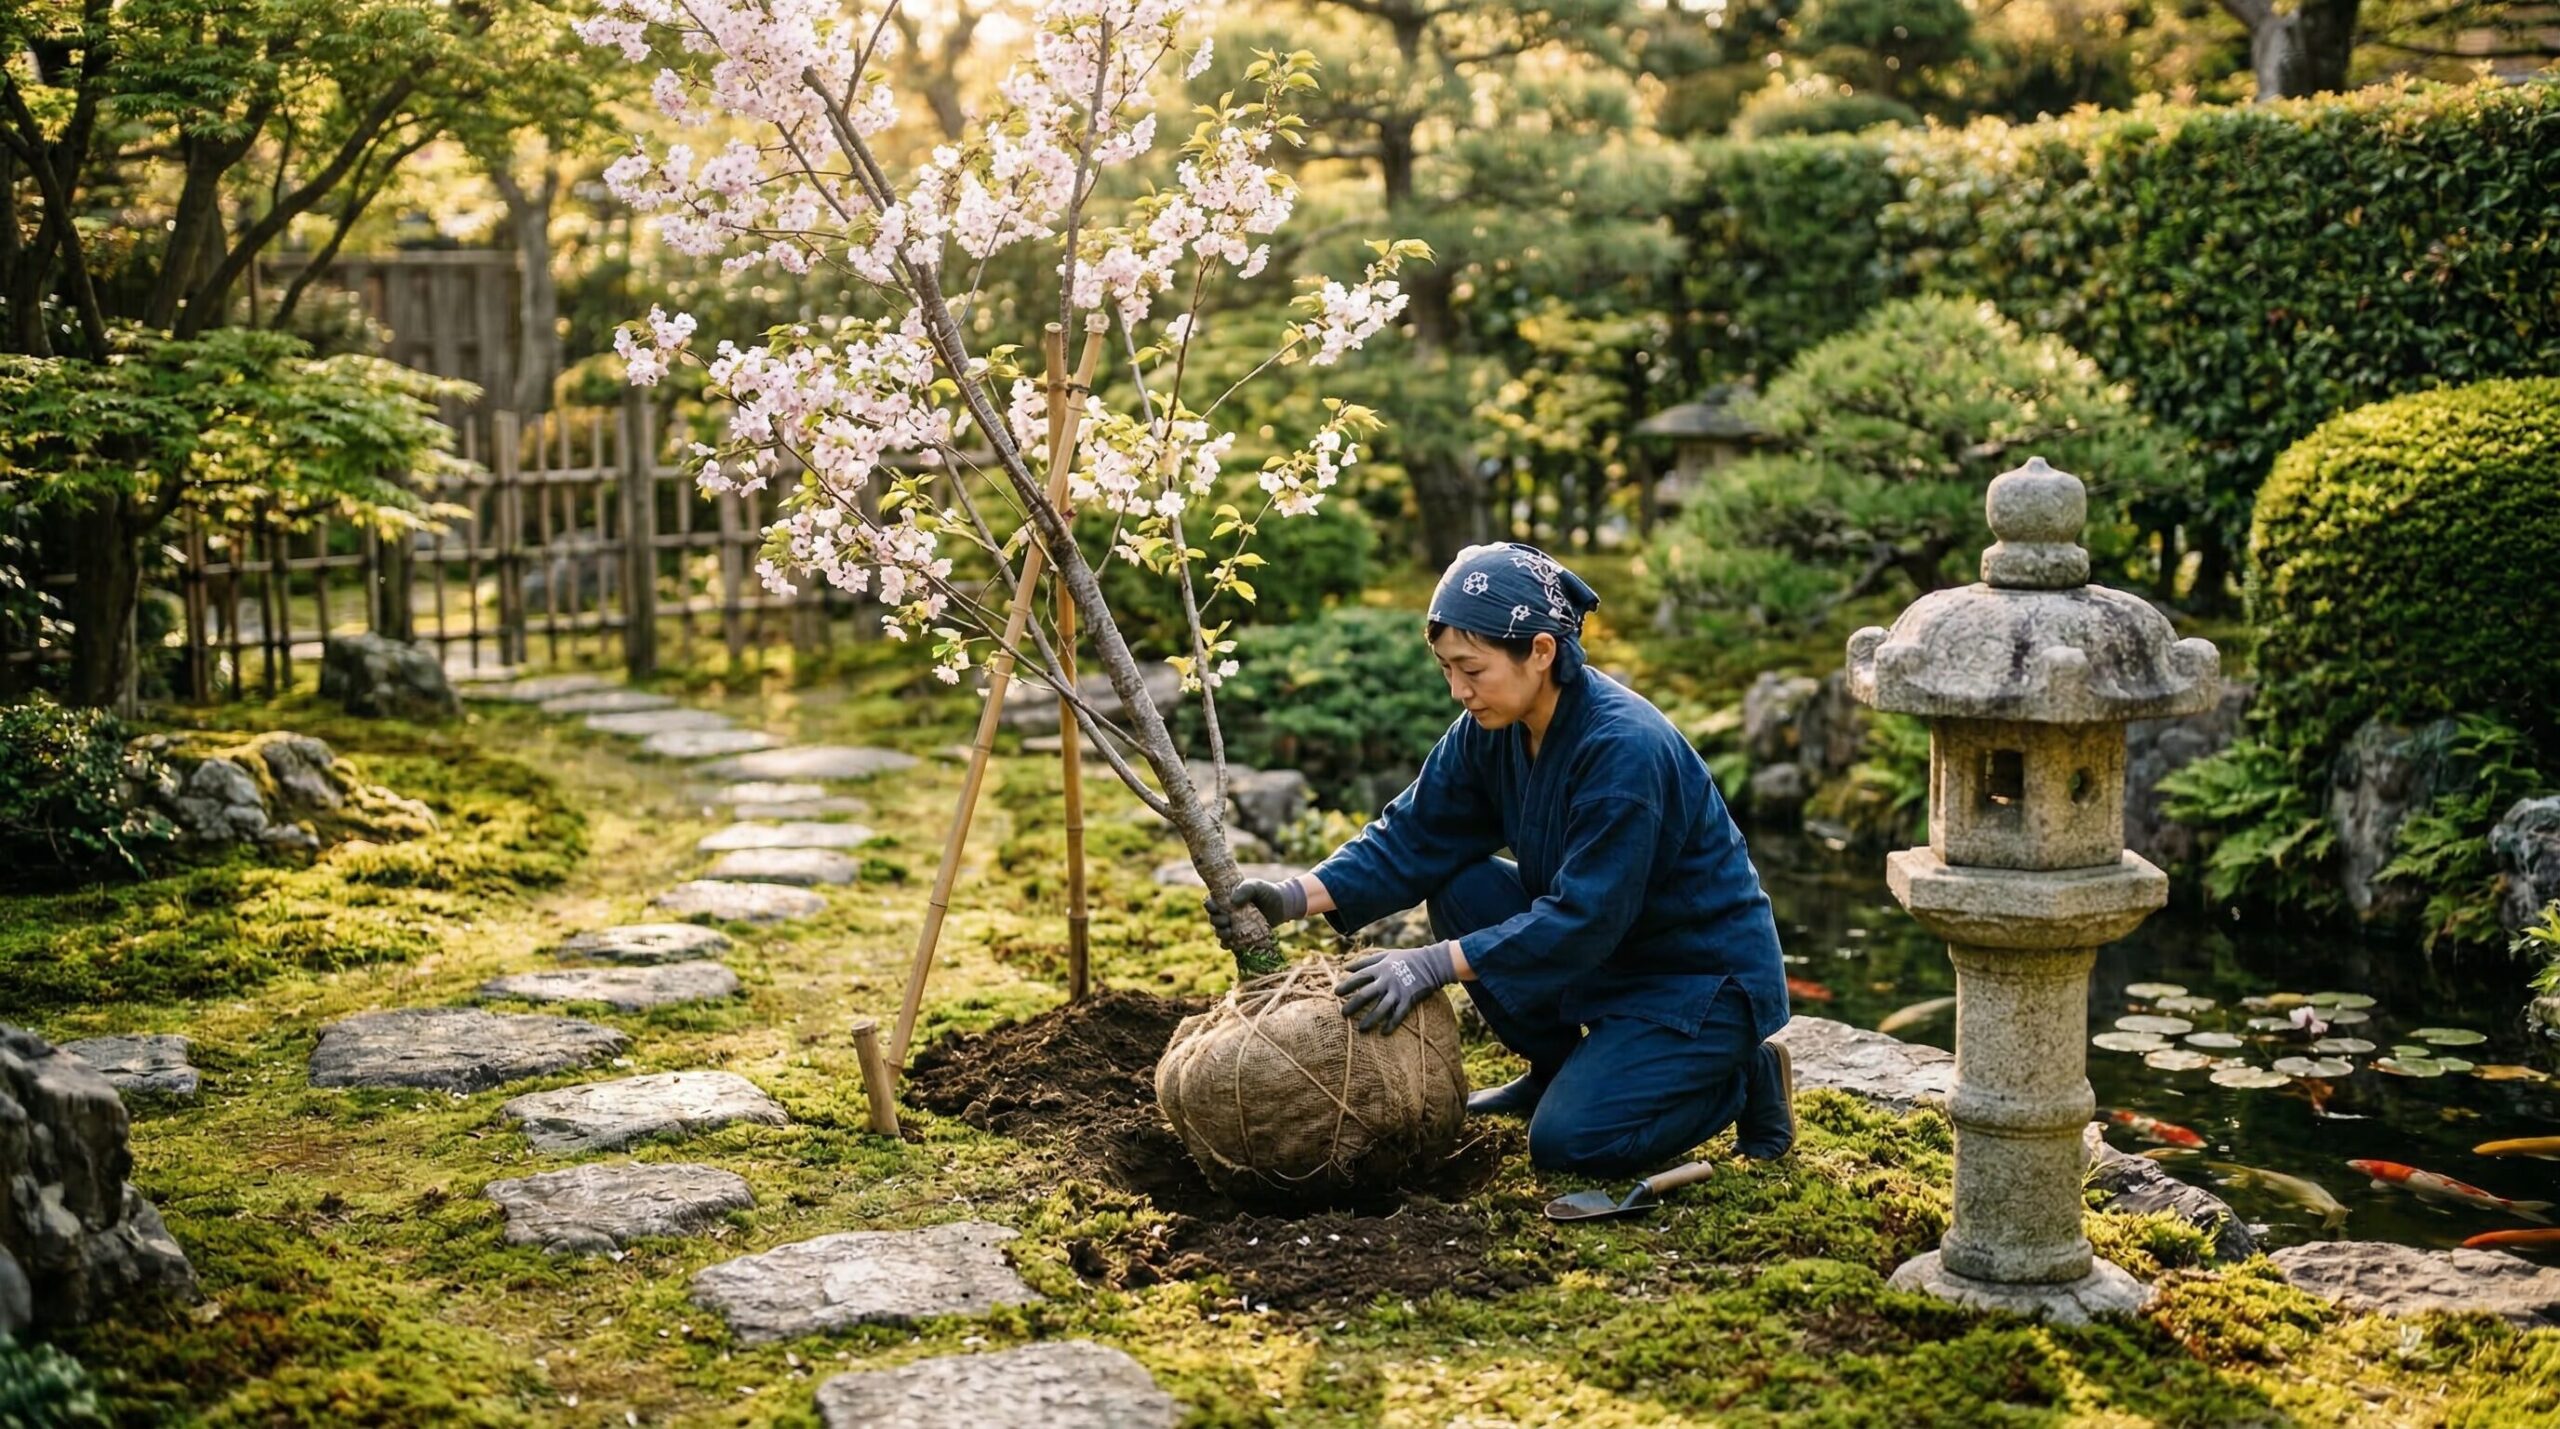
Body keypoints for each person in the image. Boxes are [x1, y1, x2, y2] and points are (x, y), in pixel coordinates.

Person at [1207, 542, 1794, 1176]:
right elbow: (1414, 834)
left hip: (1697, 982)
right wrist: (1292, 896)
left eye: (1472, 668)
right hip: (1608, 951)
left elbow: (1584, 917)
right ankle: (1555, 1070)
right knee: (1460, 882)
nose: (1458, 690)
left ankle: (1741, 1079)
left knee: (1568, 1145)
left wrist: (1432, 963)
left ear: (1541, 652)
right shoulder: (1495, 726)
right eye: (1446, 669)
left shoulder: (1625, 750)